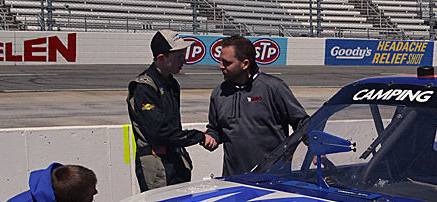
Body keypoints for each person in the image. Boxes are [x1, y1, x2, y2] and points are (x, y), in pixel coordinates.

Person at [203, 35, 309, 176]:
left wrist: (314, 150)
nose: (221, 66)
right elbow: (215, 130)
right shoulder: (219, 93)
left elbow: (302, 122)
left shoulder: (273, 87)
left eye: (227, 63)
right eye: (221, 61)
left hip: (272, 178)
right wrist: (211, 139)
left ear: (245, 64)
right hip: (233, 179)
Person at [127, 29, 206, 191]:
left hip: (175, 158)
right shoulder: (144, 87)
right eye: (179, 56)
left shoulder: (171, 83)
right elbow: (160, 132)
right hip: (157, 165)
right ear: (162, 58)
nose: (184, 60)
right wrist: (197, 136)